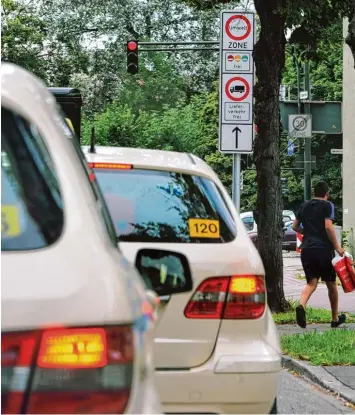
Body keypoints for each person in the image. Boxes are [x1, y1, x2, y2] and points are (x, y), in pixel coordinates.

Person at [292, 181, 346, 328]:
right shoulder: (327, 206)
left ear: (314, 193)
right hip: (323, 250)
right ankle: (335, 319)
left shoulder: (304, 205)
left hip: (307, 249)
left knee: (311, 283)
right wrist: (338, 247)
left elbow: (294, 226)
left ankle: (301, 305)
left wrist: (307, 232)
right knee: (331, 284)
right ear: (326, 194)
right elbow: (328, 227)